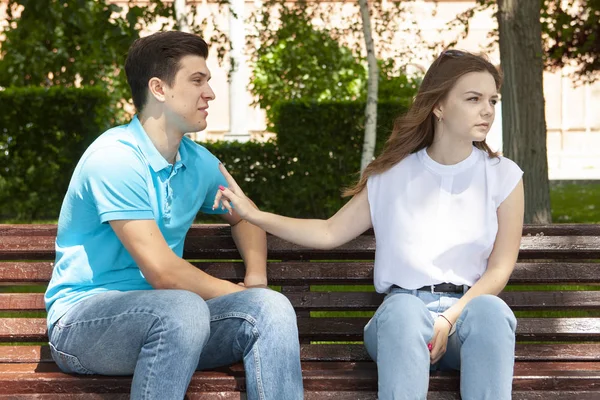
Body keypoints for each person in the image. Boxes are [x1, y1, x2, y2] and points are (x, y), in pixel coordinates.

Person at [214, 50, 524, 400]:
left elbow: (499, 269)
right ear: (438, 106)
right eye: (473, 99)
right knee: (406, 312)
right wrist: (254, 214)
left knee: (493, 311)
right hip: (400, 322)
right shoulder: (393, 173)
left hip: (463, 320)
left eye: (492, 100)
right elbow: (330, 232)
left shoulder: (504, 176)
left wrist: (449, 318)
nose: (487, 110)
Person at [44, 31, 303, 400]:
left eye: (208, 81)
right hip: (85, 324)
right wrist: (235, 294)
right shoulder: (115, 158)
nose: (210, 93)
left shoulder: (197, 162)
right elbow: (163, 273)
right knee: (181, 308)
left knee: (271, 307)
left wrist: (256, 282)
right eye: (197, 81)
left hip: (175, 324)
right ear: (159, 89)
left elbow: (245, 216)